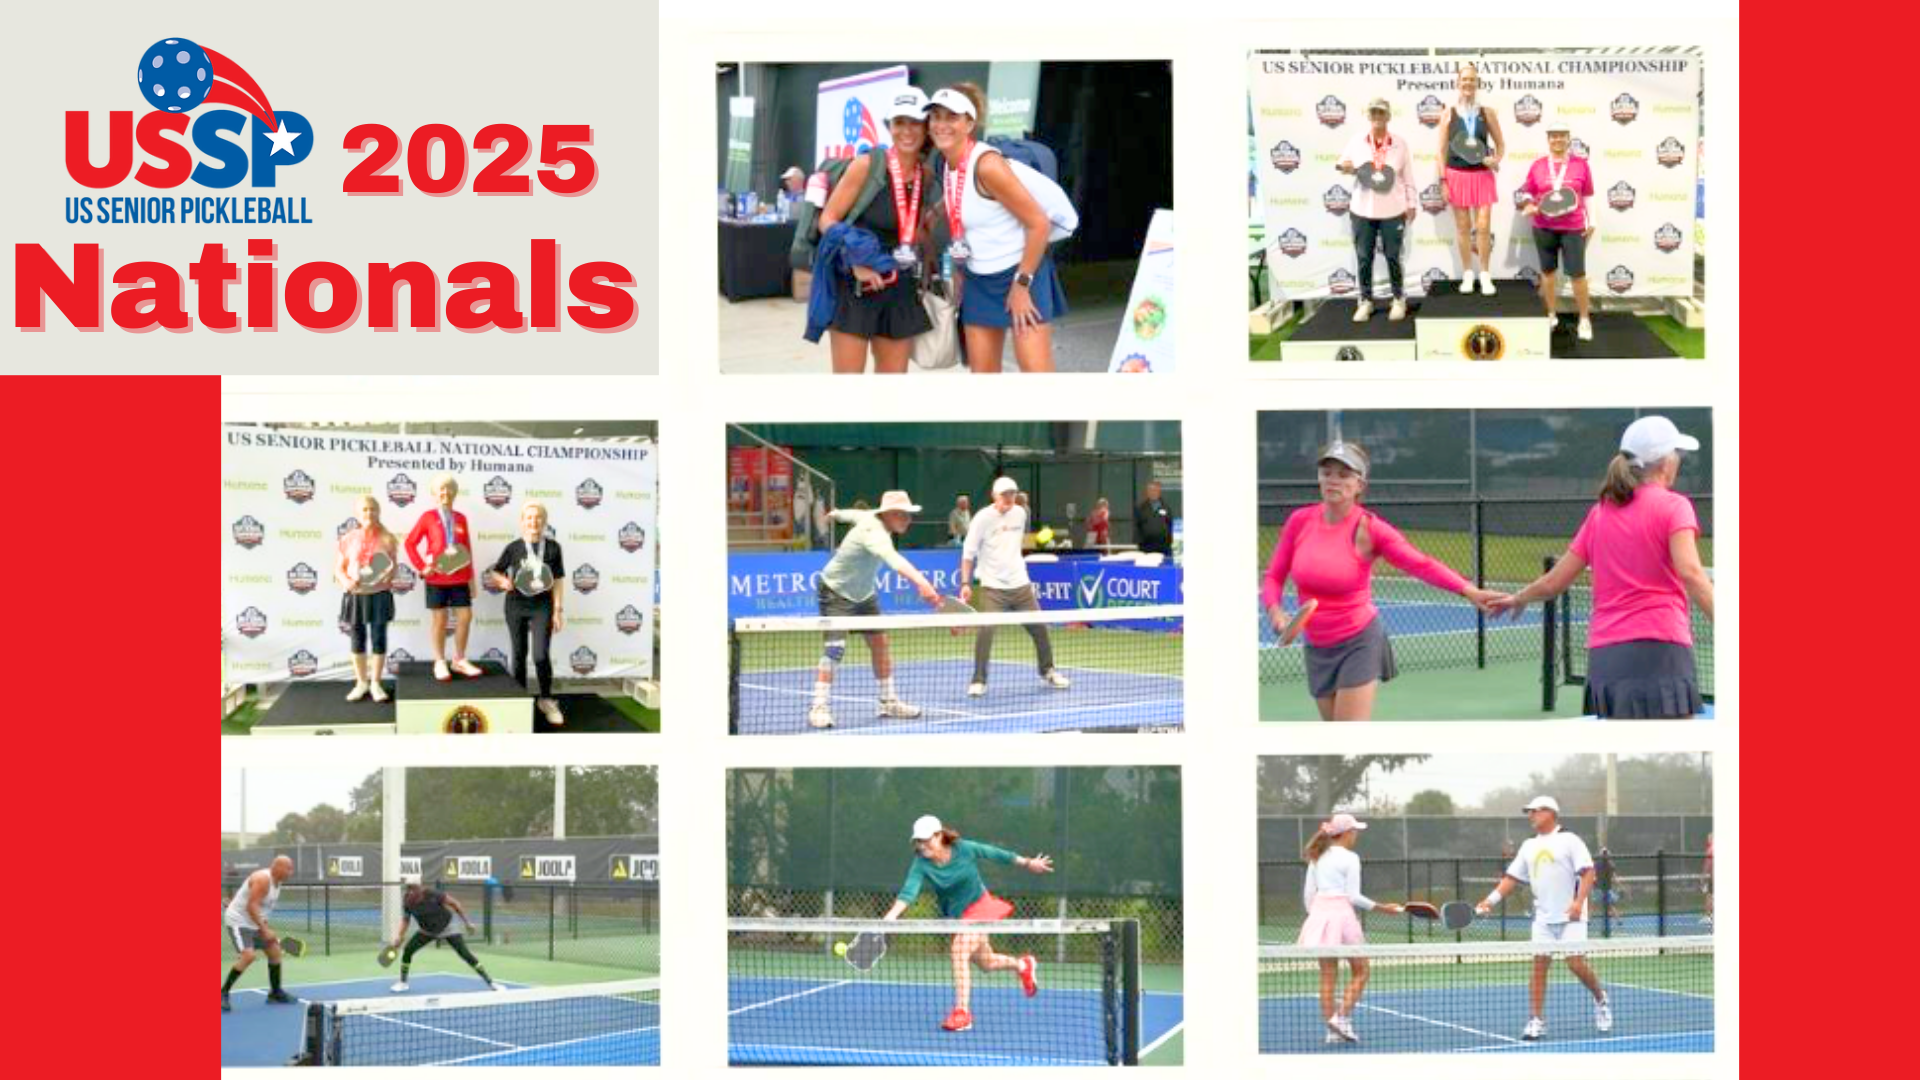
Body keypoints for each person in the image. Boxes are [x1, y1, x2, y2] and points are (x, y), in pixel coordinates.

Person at [1261, 442, 1505, 720]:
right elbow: (1274, 576)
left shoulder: (1371, 530)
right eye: (1327, 472)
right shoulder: (1299, 521)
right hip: (1316, 645)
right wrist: (1275, 610)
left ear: (1360, 484)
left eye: (1344, 474)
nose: (1333, 480)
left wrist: (1468, 590)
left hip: (1358, 641)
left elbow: (1419, 563)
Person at [1489, 416, 1714, 718]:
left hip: (1606, 659)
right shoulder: (1675, 506)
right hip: (1660, 649)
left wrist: (1518, 598)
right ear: (1664, 462)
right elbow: (1692, 573)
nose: (1678, 461)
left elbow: (1553, 583)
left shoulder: (1600, 514)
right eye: (1676, 453)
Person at [927, 84, 1068, 373]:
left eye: (951, 117)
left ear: (970, 123)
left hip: (1021, 273)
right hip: (978, 279)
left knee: (1036, 371)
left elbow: (1039, 223)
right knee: (983, 376)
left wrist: (1021, 285)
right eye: (936, 116)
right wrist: (935, 213)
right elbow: (963, 197)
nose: (941, 125)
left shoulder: (988, 166)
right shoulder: (947, 160)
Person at [882, 815, 1053, 1034]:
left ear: (939, 835)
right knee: (986, 963)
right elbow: (909, 891)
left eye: (926, 839)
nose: (921, 845)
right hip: (959, 917)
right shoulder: (921, 863)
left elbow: (996, 854)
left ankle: (962, 1013)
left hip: (981, 906)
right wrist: (892, 916)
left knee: (959, 950)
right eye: (917, 841)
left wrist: (1028, 863)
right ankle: (1023, 966)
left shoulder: (964, 849)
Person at [817, 87, 936, 374]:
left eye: (915, 122)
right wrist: (856, 262)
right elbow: (828, 220)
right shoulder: (866, 165)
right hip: (857, 284)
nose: (907, 131)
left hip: (900, 286)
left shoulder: (927, 176)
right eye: (899, 123)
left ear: (926, 128)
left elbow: (911, 229)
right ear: (889, 127)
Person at [1476, 796, 1613, 1041]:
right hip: (1542, 919)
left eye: (1534, 811)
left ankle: (1601, 998)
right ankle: (1536, 1020)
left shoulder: (1570, 840)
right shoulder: (1528, 846)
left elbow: (1588, 872)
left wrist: (1578, 902)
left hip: (1572, 916)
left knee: (1575, 964)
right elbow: (1511, 878)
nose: (1530, 816)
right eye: (1528, 812)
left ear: (1550, 812)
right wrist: (1490, 901)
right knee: (1539, 966)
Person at [808, 491, 945, 729]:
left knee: (880, 643)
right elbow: (895, 560)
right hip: (835, 591)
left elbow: (852, 514)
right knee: (834, 650)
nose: (908, 520)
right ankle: (819, 707)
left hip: (864, 594)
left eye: (909, 515)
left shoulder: (870, 516)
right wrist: (922, 583)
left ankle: (888, 701)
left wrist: (835, 514)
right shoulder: (875, 534)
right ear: (889, 514)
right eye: (903, 515)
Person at [961, 477, 1072, 698]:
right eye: (1005, 495)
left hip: (1020, 584)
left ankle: (1048, 670)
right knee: (986, 631)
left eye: (1012, 494)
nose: (1009, 499)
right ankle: (978, 680)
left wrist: (1042, 540)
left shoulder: (1021, 513)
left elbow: (1018, 543)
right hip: (993, 587)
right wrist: (965, 583)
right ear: (994, 495)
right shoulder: (981, 519)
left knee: (1040, 628)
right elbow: (968, 553)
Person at [1299, 814, 1404, 1044]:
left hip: (1318, 915)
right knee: (1362, 970)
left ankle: (1332, 1031)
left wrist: (1316, 918)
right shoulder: (1351, 858)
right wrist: (1383, 908)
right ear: (1346, 833)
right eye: (1355, 830)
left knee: (1327, 975)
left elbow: (1308, 895)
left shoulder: (1316, 856)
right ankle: (1341, 1019)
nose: (1356, 834)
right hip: (1342, 917)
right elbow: (1354, 896)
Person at [484, 501, 567, 727]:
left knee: (540, 655)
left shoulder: (553, 548)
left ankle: (547, 700)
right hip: (516, 605)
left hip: (542, 606)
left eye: (538, 517)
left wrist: (558, 610)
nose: (534, 521)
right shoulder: (513, 548)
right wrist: (502, 581)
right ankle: (519, 700)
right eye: (529, 517)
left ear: (544, 521)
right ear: (522, 522)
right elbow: (494, 571)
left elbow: (558, 581)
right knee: (518, 655)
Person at [1336, 98, 1418, 322]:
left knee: (1393, 256)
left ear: (1388, 116)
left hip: (1393, 209)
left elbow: (1407, 175)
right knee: (1364, 257)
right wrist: (1345, 167)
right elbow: (1343, 163)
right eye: (1373, 112)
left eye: (1381, 113)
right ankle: (1365, 301)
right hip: (1362, 210)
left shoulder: (1400, 143)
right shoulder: (1356, 141)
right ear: (1368, 115)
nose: (1377, 116)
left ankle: (1399, 299)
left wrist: (1411, 203)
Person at [1518, 126, 1598, 341]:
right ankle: (1551, 315)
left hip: (1573, 227)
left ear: (1568, 138)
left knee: (1578, 275)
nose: (1558, 139)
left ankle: (1584, 319)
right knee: (1548, 273)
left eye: (1562, 135)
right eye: (1553, 136)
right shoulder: (1538, 165)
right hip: (1543, 226)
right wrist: (1528, 203)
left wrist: (1593, 220)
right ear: (1548, 139)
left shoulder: (1581, 165)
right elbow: (1526, 190)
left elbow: (1588, 195)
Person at [405, 475, 483, 682]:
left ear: (454, 493)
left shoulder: (462, 518)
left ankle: (459, 659)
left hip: (460, 577)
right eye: (440, 489)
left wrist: (471, 580)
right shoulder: (427, 517)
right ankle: (439, 661)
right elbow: (409, 544)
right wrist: (422, 567)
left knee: (465, 617)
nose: (445, 493)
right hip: (436, 578)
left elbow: (466, 551)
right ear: (434, 494)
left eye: (449, 489)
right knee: (440, 620)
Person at [1439, 62, 1505, 295]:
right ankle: (1468, 274)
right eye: (1464, 79)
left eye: (1471, 79)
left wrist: (1495, 159)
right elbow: (1441, 151)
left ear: (1477, 84)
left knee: (1484, 226)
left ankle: (1485, 275)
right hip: (1456, 175)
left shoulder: (1487, 113)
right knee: (1463, 227)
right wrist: (1443, 181)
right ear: (1458, 83)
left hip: (1482, 176)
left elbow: (1501, 145)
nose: (1468, 83)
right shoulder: (1448, 113)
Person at [387, 878, 503, 994]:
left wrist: (467, 923)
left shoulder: (432, 894)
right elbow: (406, 920)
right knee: (408, 950)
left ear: (419, 887)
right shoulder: (407, 900)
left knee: (465, 954)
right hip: (426, 930)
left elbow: (455, 904)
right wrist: (400, 936)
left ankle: (490, 982)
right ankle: (403, 983)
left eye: (413, 887)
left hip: (447, 926)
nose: (410, 890)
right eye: (408, 888)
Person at [335, 494, 398, 703]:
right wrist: (345, 581)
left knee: (379, 638)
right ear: (358, 514)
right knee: (357, 638)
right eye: (364, 509)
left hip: (379, 595)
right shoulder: (347, 539)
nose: (369, 513)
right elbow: (338, 568)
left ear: (378, 512)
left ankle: (376, 683)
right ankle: (361, 682)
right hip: (356, 596)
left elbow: (394, 567)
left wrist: (389, 574)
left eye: (372, 509)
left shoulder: (388, 538)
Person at [222, 856, 298, 1013]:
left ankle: (275, 993)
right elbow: (251, 906)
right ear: (277, 867)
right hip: (239, 922)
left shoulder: (278, 883)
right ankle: (222, 993)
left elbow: (259, 907)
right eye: (288, 868)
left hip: (255, 922)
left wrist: (264, 927)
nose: (291, 872)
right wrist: (264, 930)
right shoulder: (263, 879)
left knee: (275, 952)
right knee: (248, 956)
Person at [1136, 481, 1173, 557]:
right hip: (1146, 546)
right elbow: (1136, 526)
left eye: (1155, 490)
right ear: (1147, 492)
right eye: (1150, 490)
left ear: (1159, 492)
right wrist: (1140, 542)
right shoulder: (1140, 508)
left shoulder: (1166, 507)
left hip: (1163, 546)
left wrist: (1169, 541)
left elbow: (1170, 524)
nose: (1153, 492)